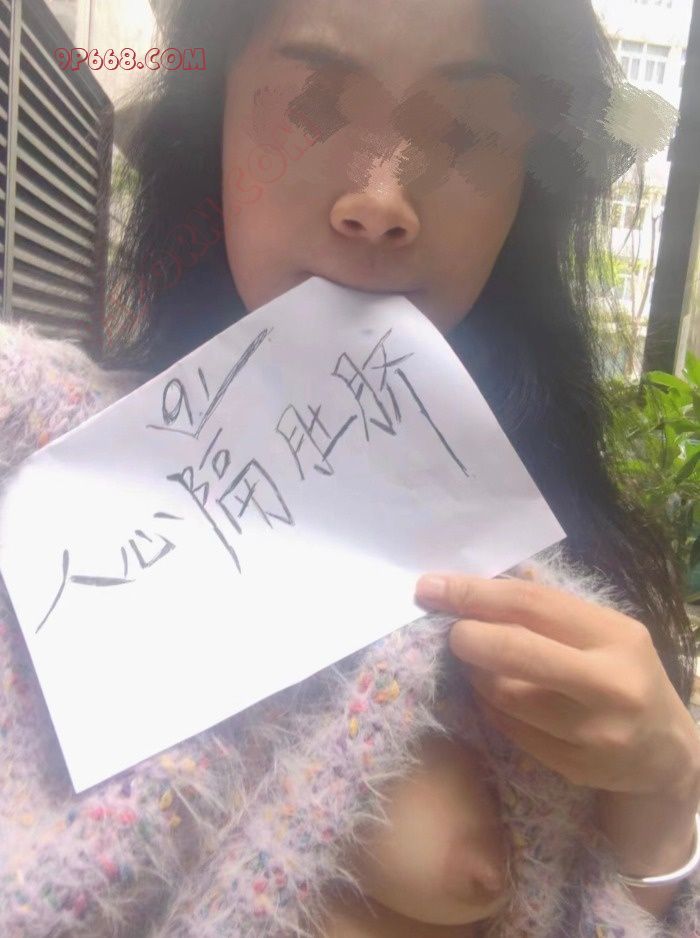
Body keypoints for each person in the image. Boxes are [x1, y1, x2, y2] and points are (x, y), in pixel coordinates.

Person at [0, 0, 699, 936]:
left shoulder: (581, 569)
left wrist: (663, 813)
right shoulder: (32, 450)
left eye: (463, 132)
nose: (380, 201)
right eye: (312, 107)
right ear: (213, 127)